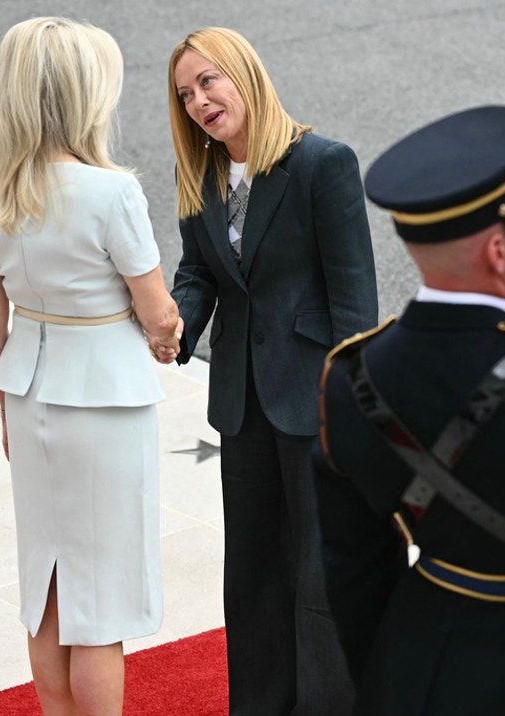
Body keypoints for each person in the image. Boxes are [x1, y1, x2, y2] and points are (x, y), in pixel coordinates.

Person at [312, 105, 505, 715]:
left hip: (422, 657)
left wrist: (390, 682)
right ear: (496, 250)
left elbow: (352, 566)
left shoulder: (349, 378)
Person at [148, 26, 379, 716]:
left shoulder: (322, 163)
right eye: (186, 94)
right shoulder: (204, 175)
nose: (199, 101)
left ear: (244, 75)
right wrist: (177, 326)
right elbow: (198, 274)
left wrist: (353, 414)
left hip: (316, 405)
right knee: (251, 578)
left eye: (209, 81)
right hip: (241, 407)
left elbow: (354, 301)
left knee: (321, 575)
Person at [0, 17, 179, 715]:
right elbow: (158, 310)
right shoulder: (112, 193)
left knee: (46, 590)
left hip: (29, 390)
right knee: (101, 603)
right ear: (84, 96)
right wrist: (166, 339)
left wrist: (6, 407)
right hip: (107, 401)